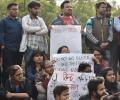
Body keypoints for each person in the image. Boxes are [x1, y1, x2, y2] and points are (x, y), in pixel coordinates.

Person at [0, 3, 23, 85]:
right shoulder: (3, 21)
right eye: (13, 9)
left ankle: (16, 86)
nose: (15, 11)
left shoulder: (20, 21)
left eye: (17, 9)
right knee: (8, 69)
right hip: (8, 48)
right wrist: (2, 45)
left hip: (19, 49)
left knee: (17, 68)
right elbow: (1, 33)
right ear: (8, 10)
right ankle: (5, 89)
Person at [20, 1, 48, 68]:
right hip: (29, 47)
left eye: (38, 9)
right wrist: (39, 28)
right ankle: (29, 78)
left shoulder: (40, 19)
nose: (37, 10)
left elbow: (45, 30)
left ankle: (40, 78)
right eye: (35, 8)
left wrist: (34, 32)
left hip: (40, 47)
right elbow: (26, 28)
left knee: (41, 66)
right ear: (30, 9)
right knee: (28, 65)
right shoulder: (25, 18)